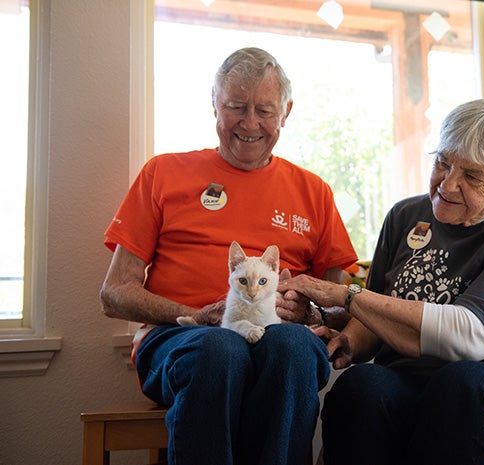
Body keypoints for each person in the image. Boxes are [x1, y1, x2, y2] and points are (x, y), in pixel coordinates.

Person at [100, 47, 357, 465]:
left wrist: (311, 313)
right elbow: (113, 294)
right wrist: (195, 315)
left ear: (286, 112)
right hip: (183, 338)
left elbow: (341, 307)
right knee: (221, 350)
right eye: (236, 107)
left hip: (276, 339)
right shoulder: (162, 173)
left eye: (264, 110)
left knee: (292, 347)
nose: (250, 123)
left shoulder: (314, 192)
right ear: (214, 104)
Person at [277, 99, 484, 465]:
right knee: (361, 387)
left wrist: (345, 295)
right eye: (443, 162)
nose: (448, 183)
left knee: (461, 384)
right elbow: (373, 315)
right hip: (409, 382)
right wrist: (348, 339)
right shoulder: (405, 216)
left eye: (472, 176)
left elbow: (469, 336)